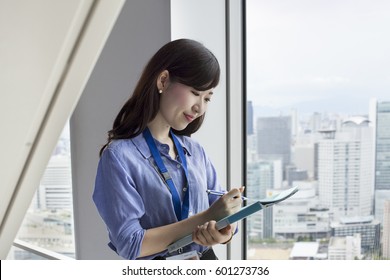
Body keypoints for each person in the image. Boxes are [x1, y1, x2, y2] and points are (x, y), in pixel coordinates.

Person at [93, 38, 244, 260]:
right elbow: (130, 244)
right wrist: (204, 219)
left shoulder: (195, 151)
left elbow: (221, 215)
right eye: (195, 92)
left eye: (207, 98)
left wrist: (222, 233)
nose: (200, 107)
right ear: (163, 80)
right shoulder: (118, 157)